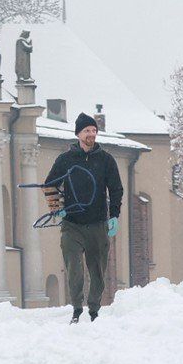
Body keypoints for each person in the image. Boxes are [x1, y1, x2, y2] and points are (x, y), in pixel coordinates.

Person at [43, 111, 124, 322]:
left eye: (94, 130)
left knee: (97, 271)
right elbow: (50, 184)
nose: (91, 134)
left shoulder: (106, 160)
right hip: (72, 224)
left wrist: (113, 215)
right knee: (74, 269)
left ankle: (94, 309)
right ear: (79, 134)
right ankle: (77, 309)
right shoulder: (66, 160)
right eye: (87, 130)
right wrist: (56, 207)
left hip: (98, 224)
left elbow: (116, 189)